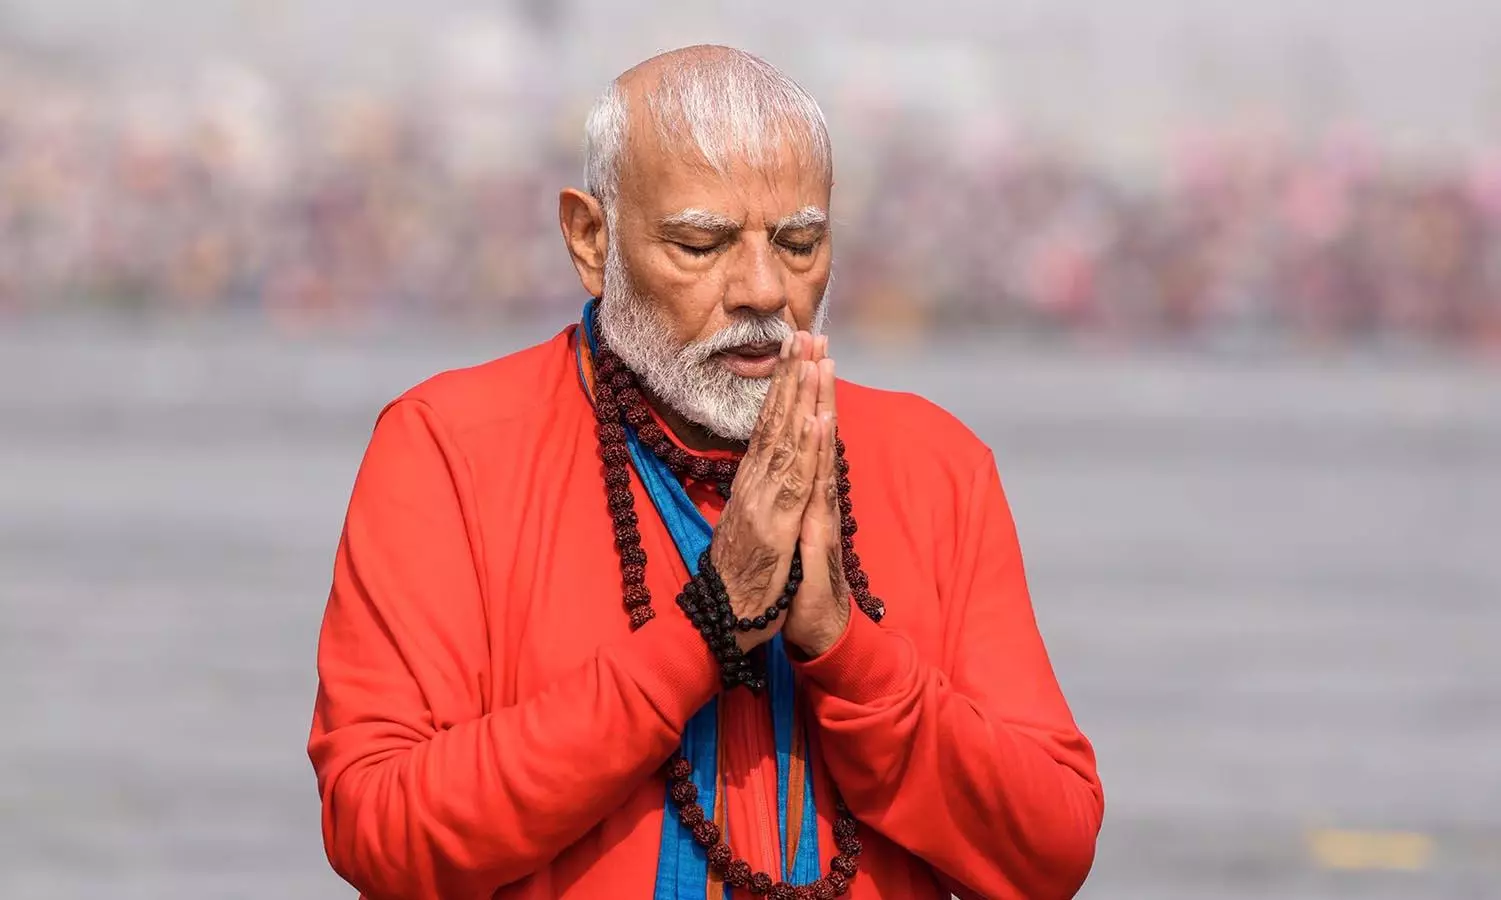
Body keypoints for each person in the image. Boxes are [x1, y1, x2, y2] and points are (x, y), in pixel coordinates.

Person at [308, 45, 1103, 900]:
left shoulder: (934, 466)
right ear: (590, 240)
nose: (763, 290)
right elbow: (380, 829)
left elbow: (1050, 850)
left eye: (799, 243)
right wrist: (702, 633)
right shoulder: (449, 449)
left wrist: (844, 648)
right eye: (701, 243)